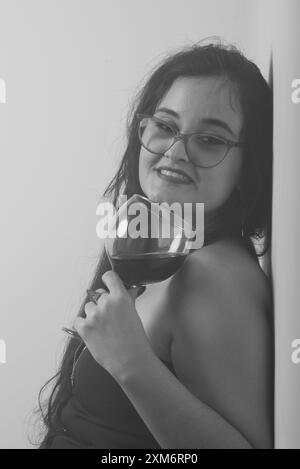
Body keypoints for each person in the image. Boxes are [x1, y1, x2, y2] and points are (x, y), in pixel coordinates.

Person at [36, 40, 273, 449]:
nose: (176, 152)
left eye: (211, 140)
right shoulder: (162, 248)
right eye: (165, 126)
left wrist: (132, 363)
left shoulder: (210, 276)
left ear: (246, 165)